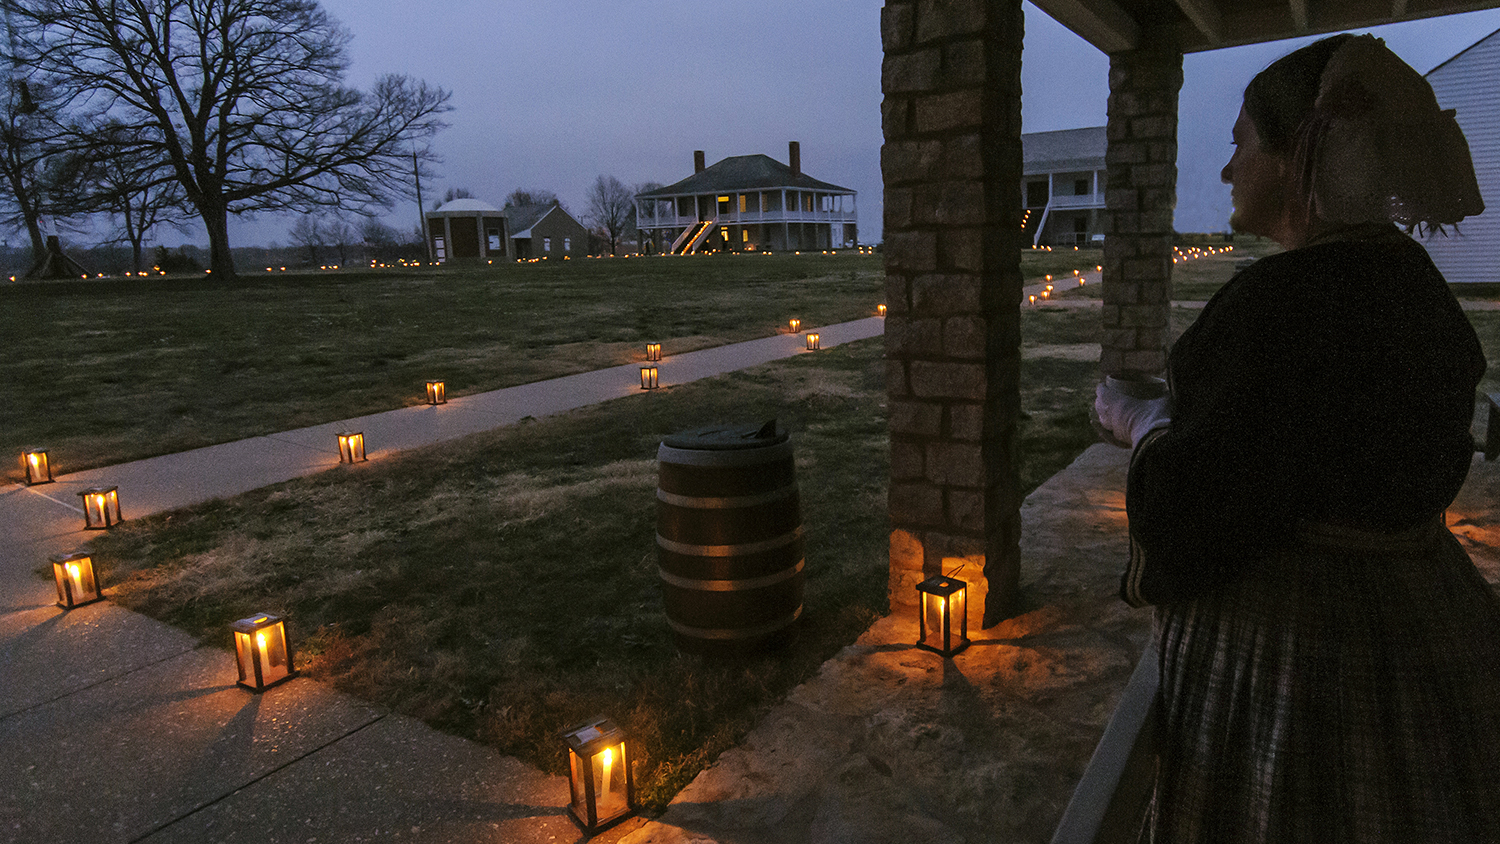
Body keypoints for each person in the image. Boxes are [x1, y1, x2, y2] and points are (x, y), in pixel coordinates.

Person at [1093, 33, 1500, 842]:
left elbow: (1191, 507)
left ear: (1299, 155)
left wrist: (1139, 421)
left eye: (1240, 142)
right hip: (1423, 611)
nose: (1227, 168)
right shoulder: (1413, 287)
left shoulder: (1281, 306)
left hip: (1301, 650)